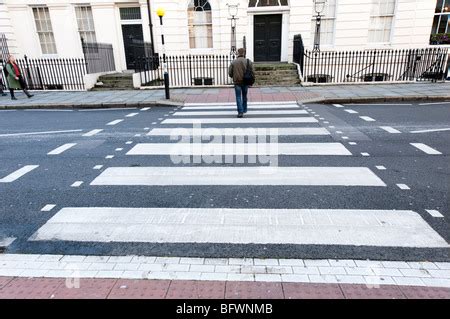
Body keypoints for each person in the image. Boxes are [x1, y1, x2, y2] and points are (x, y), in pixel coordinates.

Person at [228, 48, 254, 118]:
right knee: (244, 96)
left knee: (238, 97)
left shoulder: (234, 62)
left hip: (237, 82)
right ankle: (244, 109)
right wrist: (251, 81)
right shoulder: (248, 61)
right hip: (246, 81)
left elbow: (230, 73)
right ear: (244, 53)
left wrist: (233, 76)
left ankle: (240, 112)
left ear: (238, 53)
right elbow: (252, 72)